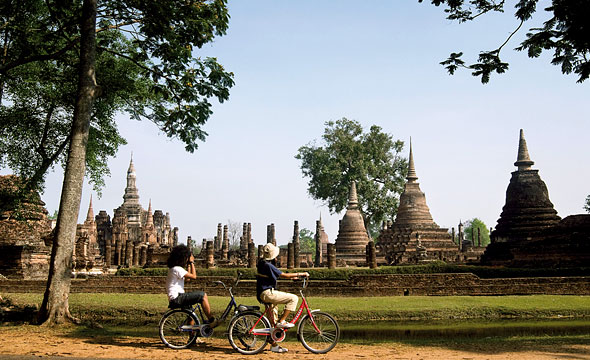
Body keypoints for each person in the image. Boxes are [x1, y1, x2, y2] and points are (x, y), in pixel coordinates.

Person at [256, 243, 309, 353]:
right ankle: (282, 320)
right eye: (276, 256)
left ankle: (274, 345)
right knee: (293, 298)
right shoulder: (268, 265)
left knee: (272, 324)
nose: (277, 258)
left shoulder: (262, 263)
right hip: (268, 293)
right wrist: (301, 273)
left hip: (265, 293)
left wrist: (293, 277)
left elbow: (275, 276)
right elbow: (283, 275)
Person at [166, 244, 218, 327]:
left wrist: (189, 264)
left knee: (191, 316)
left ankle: (192, 339)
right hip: (177, 298)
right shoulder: (177, 269)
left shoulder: (174, 269)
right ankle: (211, 319)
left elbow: (188, 279)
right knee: (203, 295)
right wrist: (192, 262)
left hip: (177, 297)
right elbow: (194, 276)